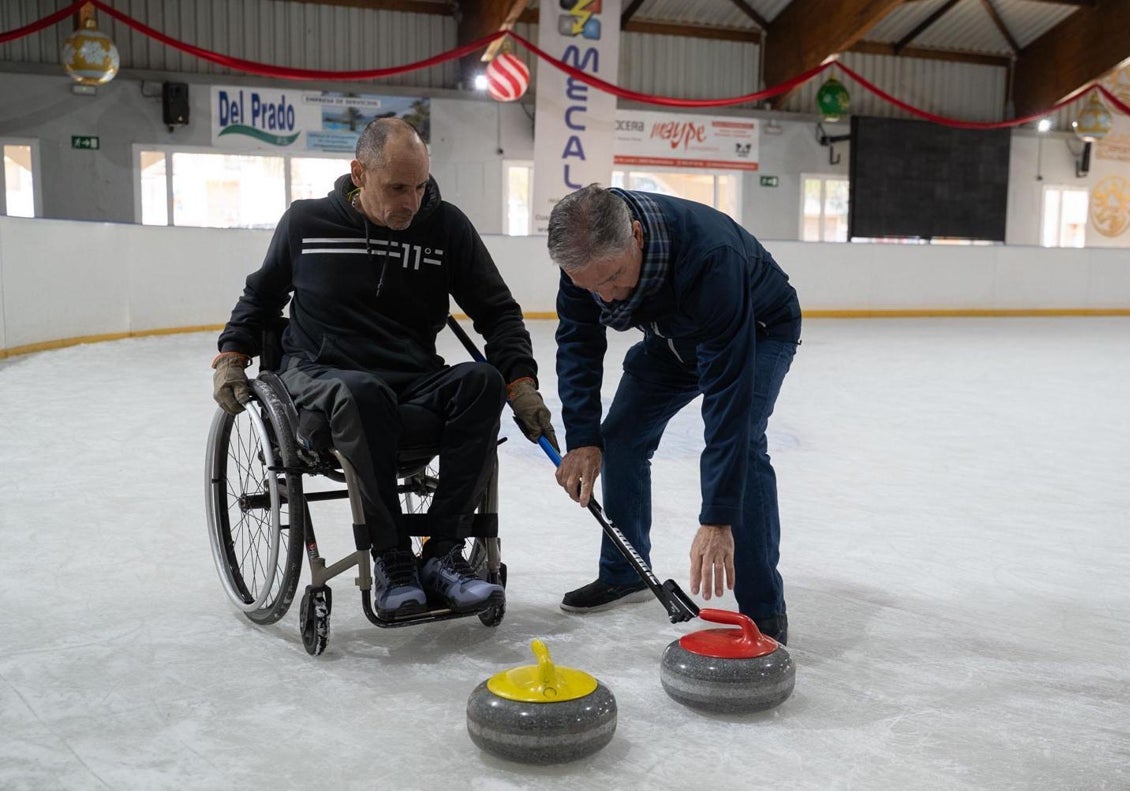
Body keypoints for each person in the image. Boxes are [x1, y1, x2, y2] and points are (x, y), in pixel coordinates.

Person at [212, 117, 557, 620]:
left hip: (411, 378)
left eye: (419, 187)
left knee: (482, 383)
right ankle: (393, 560)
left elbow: (497, 311)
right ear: (359, 173)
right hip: (319, 374)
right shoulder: (306, 223)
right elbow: (260, 297)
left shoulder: (445, 228)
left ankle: (442, 555)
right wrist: (231, 356)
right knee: (363, 392)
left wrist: (521, 382)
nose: (411, 202)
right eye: (397, 187)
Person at [547, 184, 800, 644]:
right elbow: (578, 345)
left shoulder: (711, 257)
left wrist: (717, 518)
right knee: (621, 436)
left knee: (745, 442)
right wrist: (582, 437)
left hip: (757, 329)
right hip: (672, 337)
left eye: (612, 279)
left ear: (637, 236)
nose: (605, 298)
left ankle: (764, 611)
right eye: (591, 287)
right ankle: (625, 571)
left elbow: (728, 402)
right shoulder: (583, 257)